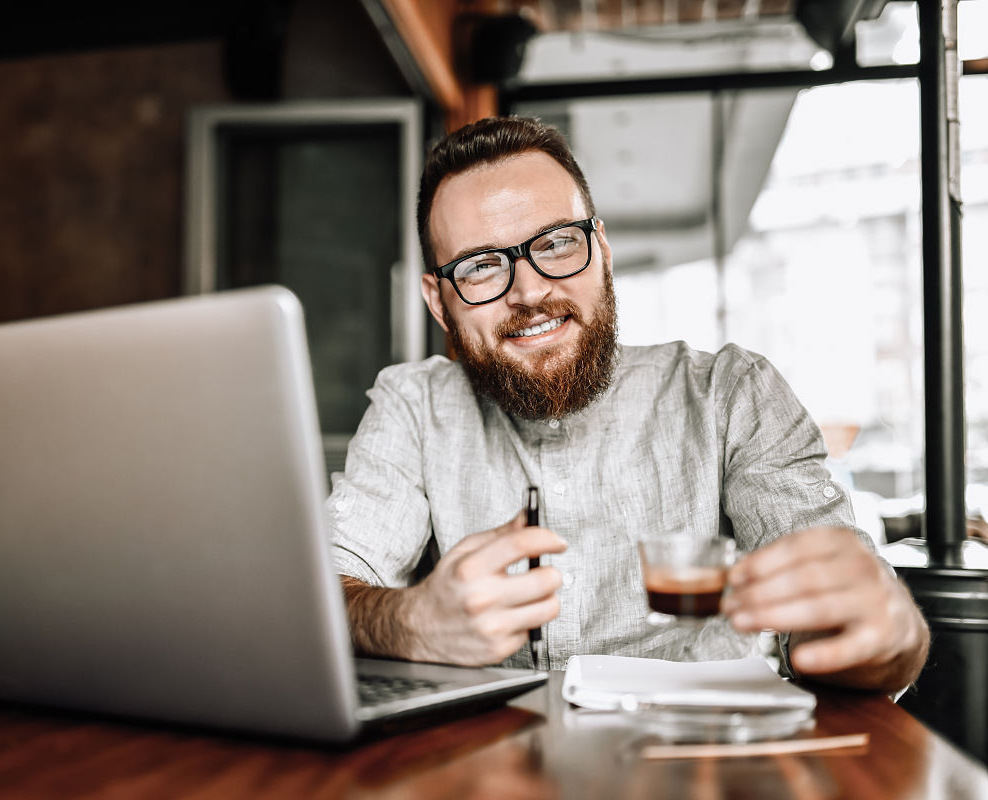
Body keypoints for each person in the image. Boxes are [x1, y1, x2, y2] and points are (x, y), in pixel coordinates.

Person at [328, 116, 929, 693]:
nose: (531, 291)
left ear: (603, 251)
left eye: (558, 243)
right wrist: (411, 622)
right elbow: (321, 589)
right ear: (439, 303)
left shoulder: (729, 396)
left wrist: (887, 636)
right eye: (482, 265)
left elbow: (844, 621)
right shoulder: (412, 406)